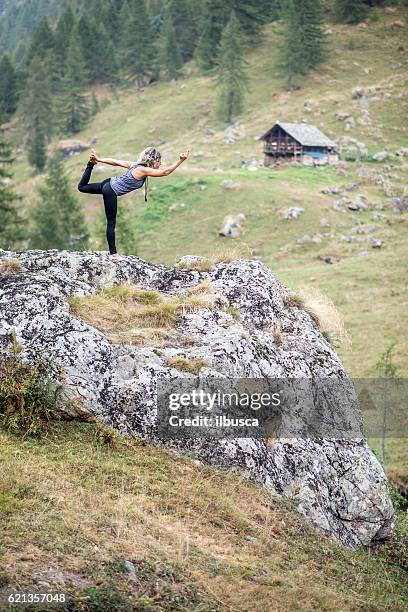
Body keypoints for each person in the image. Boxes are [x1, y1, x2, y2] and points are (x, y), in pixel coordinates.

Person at [77, 146, 190, 260]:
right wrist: (181, 160)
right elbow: (165, 172)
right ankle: (113, 254)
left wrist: (99, 160)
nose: (160, 164)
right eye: (159, 161)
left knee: (82, 187)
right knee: (111, 222)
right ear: (153, 161)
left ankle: (90, 164)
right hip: (111, 190)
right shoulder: (143, 170)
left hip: (109, 183)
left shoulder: (136, 165)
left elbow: (116, 162)